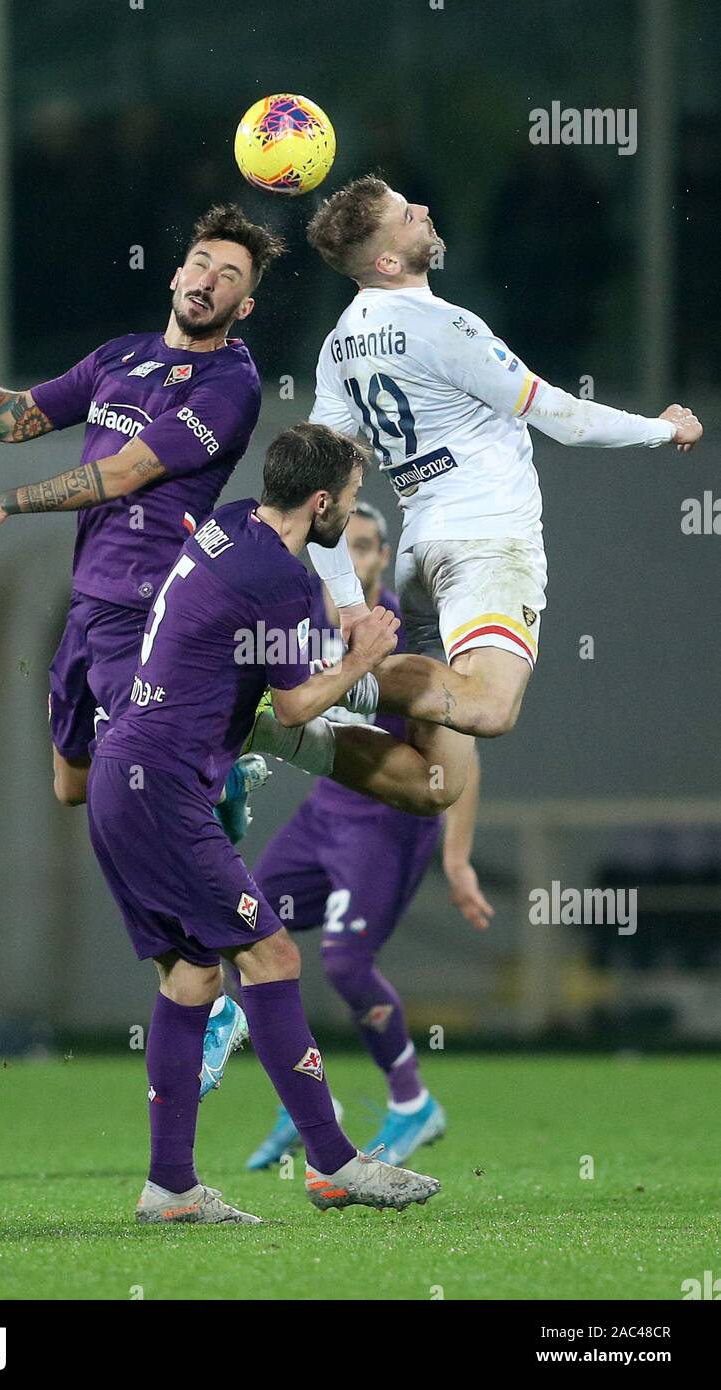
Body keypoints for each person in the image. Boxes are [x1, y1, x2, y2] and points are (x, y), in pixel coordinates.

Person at [85, 422, 443, 1223]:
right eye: (346, 507)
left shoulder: (233, 522)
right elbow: (293, 703)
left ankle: (171, 1188)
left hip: (124, 774)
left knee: (192, 975)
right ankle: (337, 1159)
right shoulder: (276, 581)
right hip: (165, 790)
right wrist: (361, 655)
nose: (346, 523)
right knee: (272, 954)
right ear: (319, 505)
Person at [300, 175, 703, 814]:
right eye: (408, 214)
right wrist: (664, 429)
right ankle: (308, 688)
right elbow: (564, 419)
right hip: (485, 543)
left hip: (420, 556)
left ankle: (284, 729)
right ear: (386, 259)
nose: (426, 210)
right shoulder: (447, 327)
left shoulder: (337, 346)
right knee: (489, 707)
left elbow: (314, 489)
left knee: (440, 784)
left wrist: (348, 602)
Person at [0, 205, 284, 835]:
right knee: (70, 784)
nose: (208, 281)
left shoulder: (232, 383)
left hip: (148, 601)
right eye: (201, 264)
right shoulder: (119, 357)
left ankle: (214, 792)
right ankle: (213, 771)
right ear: (175, 276)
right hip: (90, 598)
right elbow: (13, 419)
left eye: (229, 276)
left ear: (244, 307)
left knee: (139, 785)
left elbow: (124, 473)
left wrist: (4, 503)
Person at [234, 503, 493, 1169]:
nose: (357, 557)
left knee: (346, 965)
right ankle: (312, 1108)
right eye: (344, 546)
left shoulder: (405, 637)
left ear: (383, 558)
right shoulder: (301, 622)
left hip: (387, 825)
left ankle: (413, 1101)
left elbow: (461, 755)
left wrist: (458, 859)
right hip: (324, 813)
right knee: (239, 930)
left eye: (370, 546)